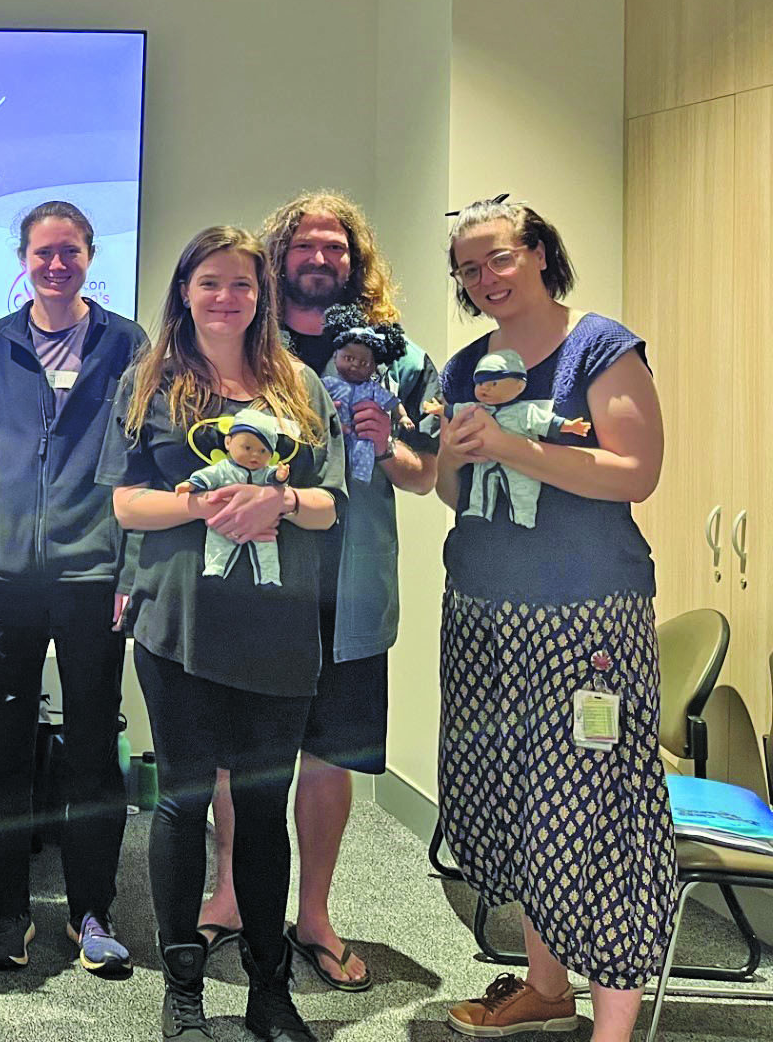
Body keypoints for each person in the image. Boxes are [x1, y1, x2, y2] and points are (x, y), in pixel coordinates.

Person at [432, 198, 672, 1042]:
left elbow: (635, 473)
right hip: (485, 615)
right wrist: (449, 461)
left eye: (497, 258)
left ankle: (612, 1028)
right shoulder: (466, 367)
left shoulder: (599, 348)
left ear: (537, 253)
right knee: (514, 800)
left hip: (587, 619)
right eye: (467, 268)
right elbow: (455, 496)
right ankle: (544, 985)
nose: (483, 278)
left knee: (591, 808)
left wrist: (514, 447)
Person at [100, 224, 345, 1042]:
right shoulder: (150, 382)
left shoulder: (299, 385)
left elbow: (328, 502)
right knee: (181, 803)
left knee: (265, 808)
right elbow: (128, 502)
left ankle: (270, 991)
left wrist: (278, 502)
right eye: (209, 282)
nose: (225, 297)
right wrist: (206, 504)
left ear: (260, 296)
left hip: (278, 634)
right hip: (180, 628)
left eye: (241, 284)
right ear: (184, 291)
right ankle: (183, 990)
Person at [192, 194, 441, 989]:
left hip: (352, 589)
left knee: (329, 756)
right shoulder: (248, 348)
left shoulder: (396, 356)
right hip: (256, 585)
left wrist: (389, 445)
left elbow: (426, 475)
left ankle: (317, 912)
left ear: (354, 259)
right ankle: (228, 893)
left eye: (337, 248)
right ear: (280, 256)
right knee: (240, 756)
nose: (321, 259)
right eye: (307, 246)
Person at [0, 200, 147, 974]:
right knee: (1, 745)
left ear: (89, 256)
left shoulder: (127, 342)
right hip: (5, 574)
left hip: (92, 575)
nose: (56, 265)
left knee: (91, 750)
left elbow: (143, 461)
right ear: (24, 258)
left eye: (70, 252)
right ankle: (6, 910)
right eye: (43, 253)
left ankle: (91, 910)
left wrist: (131, 570)